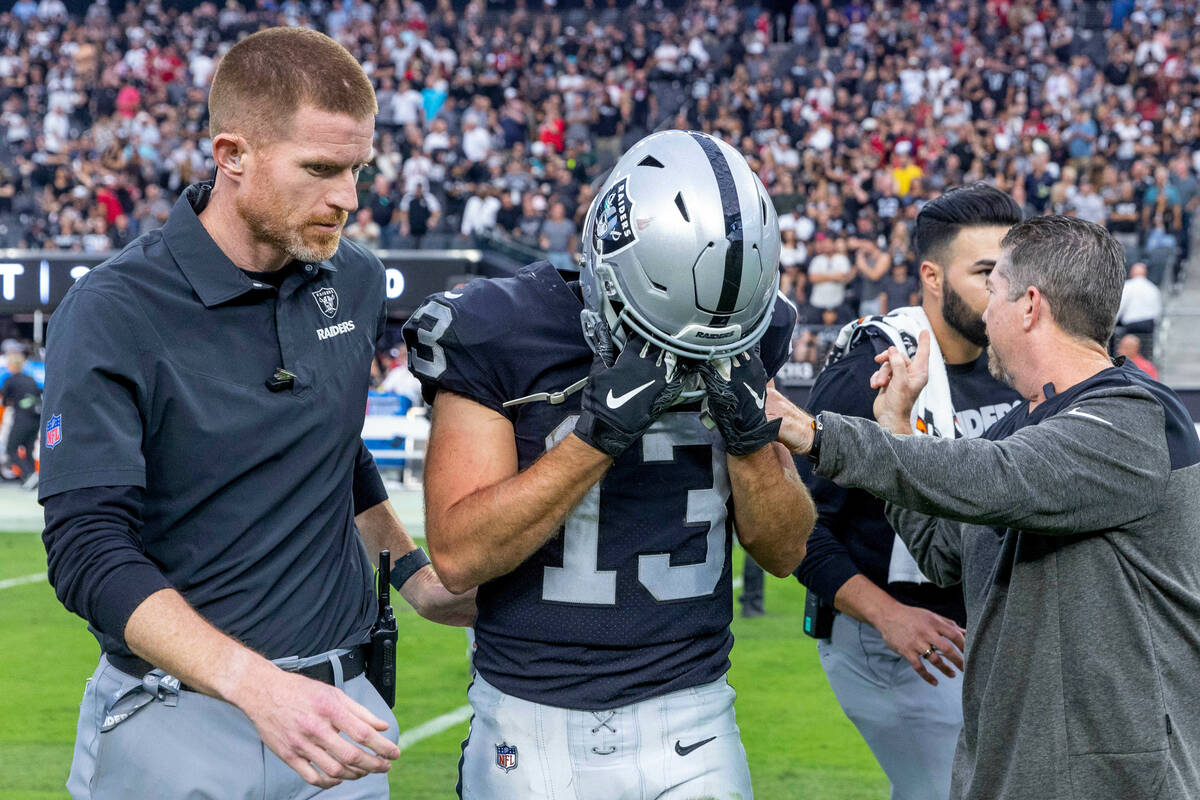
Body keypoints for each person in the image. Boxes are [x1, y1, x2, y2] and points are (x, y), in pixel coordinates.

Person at [38, 28, 474, 800]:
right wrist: (256, 686)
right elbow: (85, 550)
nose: (347, 196)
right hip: (176, 723)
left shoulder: (357, 279)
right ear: (232, 155)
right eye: (320, 169)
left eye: (357, 169)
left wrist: (412, 575)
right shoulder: (112, 309)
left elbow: (336, 445)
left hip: (340, 719)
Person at [404, 130, 815, 798]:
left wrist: (749, 438)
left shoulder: (746, 329)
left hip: (693, 715)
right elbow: (457, 556)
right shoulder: (502, 329)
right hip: (527, 719)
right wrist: (598, 437)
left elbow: (785, 550)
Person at [770, 215, 1200, 800]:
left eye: (993, 290)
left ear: (1028, 306)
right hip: (1016, 763)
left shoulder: (1132, 419)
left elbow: (1000, 476)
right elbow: (947, 551)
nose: (984, 313)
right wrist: (895, 423)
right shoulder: (1025, 419)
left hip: (1113, 774)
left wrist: (815, 433)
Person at [793, 184, 1023, 800]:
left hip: (986, 630)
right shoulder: (868, 371)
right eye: (984, 273)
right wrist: (886, 615)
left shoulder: (1018, 361)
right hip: (900, 637)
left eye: (1013, 272)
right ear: (931, 276)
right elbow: (792, 527)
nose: (1005, 289)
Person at [0, 340, 41, 489]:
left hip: (21, 418)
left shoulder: (10, 380)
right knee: (28, 449)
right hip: (36, 419)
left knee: (11, 449)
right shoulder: (31, 380)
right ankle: (31, 478)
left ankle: (29, 474)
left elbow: (4, 401)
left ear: (11, 365)